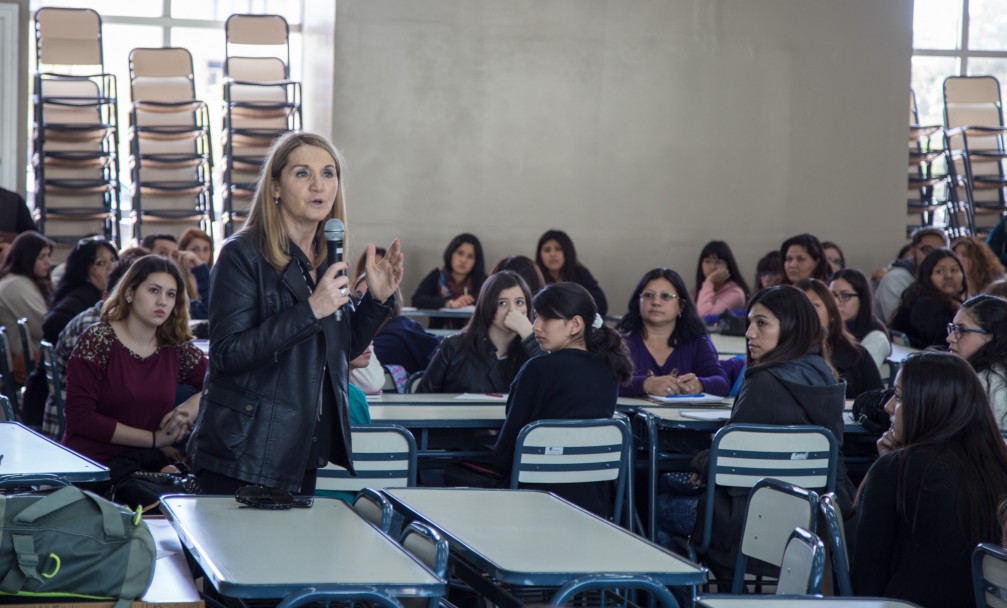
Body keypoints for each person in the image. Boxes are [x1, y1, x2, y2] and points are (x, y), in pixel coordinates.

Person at [187, 132, 403, 496]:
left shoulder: (324, 258)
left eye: (329, 173)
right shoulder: (242, 254)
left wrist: (375, 302)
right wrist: (310, 310)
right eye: (303, 174)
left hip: (301, 447)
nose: (319, 185)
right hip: (245, 450)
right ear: (275, 187)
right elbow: (227, 354)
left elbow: (339, 351)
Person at [682, 285, 855, 583]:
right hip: (813, 519)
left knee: (654, 504)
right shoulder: (824, 373)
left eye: (761, 323)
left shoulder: (765, 382)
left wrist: (700, 463)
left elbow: (730, 464)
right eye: (750, 322)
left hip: (752, 521)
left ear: (792, 328)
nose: (749, 333)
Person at [852, 352, 1007, 608]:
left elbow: (866, 584)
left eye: (899, 397)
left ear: (931, 405)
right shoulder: (997, 465)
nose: (888, 406)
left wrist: (888, 466)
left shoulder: (897, 471)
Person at [489, 282, 632, 517]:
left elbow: (504, 457)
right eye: (536, 317)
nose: (535, 326)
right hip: (593, 507)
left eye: (546, 318)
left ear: (575, 324)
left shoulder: (537, 369)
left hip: (532, 503)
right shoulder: (609, 368)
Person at [61, 255, 206, 484]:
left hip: (142, 466)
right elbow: (80, 418)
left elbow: (217, 382)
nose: (162, 302)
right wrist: (154, 439)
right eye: (154, 291)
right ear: (129, 292)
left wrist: (189, 408)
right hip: (91, 468)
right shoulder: (98, 339)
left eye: (170, 294)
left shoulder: (174, 346)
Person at [40, 249, 144, 439]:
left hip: (102, 426)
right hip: (74, 435)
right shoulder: (93, 329)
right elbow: (113, 396)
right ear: (107, 297)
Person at [417, 270, 541, 393]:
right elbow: (422, 399)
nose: (512, 311)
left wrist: (529, 334)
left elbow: (555, 383)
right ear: (487, 306)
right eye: (502, 303)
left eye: (519, 302)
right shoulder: (453, 347)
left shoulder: (533, 351)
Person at [617, 268, 728, 397]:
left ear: (681, 305)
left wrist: (700, 384)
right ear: (638, 302)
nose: (656, 302)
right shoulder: (621, 341)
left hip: (681, 416)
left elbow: (722, 383)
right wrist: (647, 384)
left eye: (666, 296)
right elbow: (605, 381)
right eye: (648, 295)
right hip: (632, 416)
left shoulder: (696, 341)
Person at [798, 279, 883, 398]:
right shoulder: (783, 356)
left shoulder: (857, 354)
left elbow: (877, 401)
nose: (807, 313)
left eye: (815, 305)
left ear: (832, 314)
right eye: (800, 307)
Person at [43, 237, 119, 345]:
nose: (112, 267)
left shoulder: (98, 293)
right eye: (101, 263)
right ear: (84, 271)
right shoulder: (80, 297)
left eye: (113, 259)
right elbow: (52, 324)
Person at [946, 294, 1007, 430]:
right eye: (953, 328)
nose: (950, 338)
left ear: (991, 336)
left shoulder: (979, 386)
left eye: (961, 330)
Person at [0, 231, 53, 383]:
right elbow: (44, 327)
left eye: (48, 256)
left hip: (32, 358)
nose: (48, 263)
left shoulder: (25, 282)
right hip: (24, 362)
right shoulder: (15, 285)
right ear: (27, 257)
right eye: (41, 257)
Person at [891, 248, 966, 349]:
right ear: (927, 277)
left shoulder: (950, 301)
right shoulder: (926, 305)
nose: (948, 276)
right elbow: (943, 345)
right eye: (940, 271)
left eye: (954, 270)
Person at [874, 227, 949, 324]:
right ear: (913, 252)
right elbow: (899, 323)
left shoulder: (946, 278)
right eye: (927, 250)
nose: (934, 256)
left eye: (940, 251)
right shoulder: (895, 279)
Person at [411, 233, 486, 330]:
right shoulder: (437, 276)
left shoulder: (483, 282)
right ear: (451, 253)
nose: (463, 260)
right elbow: (417, 300)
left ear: (476, 261)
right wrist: (449, 304)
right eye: (460, 253)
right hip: (439, 337)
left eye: (470, 257)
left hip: (473, 338)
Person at [830, 268, 891, 371]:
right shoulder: (828, 328)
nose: (836, 303)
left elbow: (860, 376)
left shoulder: (876, 337)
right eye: (832, 295)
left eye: (845, 295)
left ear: (862, 298)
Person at [535, 229, 608, 316]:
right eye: (547, 250)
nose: (552, 254)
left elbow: (600, 304)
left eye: (558, 249)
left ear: (567, 252)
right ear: (540, 255)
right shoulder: (534, 276)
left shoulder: (580, 274)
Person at [692, 241, 750, 317]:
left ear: (728, 267)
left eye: (718, 262)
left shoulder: (736, 294)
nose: (712, 267)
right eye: (707, 261)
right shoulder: (696, 291)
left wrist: (709, 281)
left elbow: (705, 317)